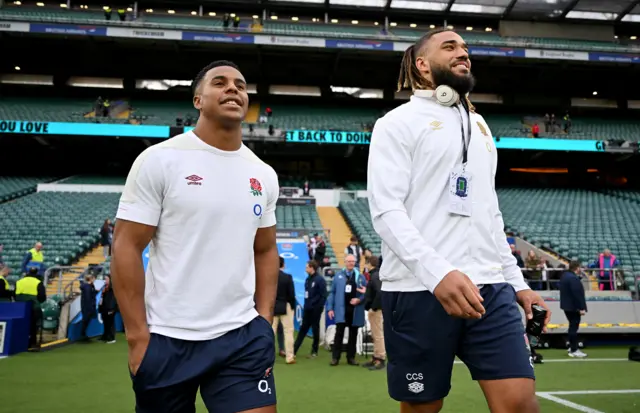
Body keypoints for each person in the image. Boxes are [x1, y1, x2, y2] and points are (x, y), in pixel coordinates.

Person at [367, 28, 550, 413]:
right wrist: (438, 274)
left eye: (465, 48)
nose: (462, 52)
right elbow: (386, 210)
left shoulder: (480, 126)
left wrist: (518, 284)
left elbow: (490, 213)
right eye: (449, 47)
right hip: (419, 290)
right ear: (421, 64)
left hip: (490, 288)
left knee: (519, 404)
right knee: (423, 408)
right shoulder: (396, 123)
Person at [112, 60, 280, 413]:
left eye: (240, 84)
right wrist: (137, 336)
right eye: (219, 82)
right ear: (198, 100)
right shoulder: (160, 160)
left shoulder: (262, 174)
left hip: (241, 336)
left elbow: (265, 250)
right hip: (168, 337)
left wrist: (263, 319)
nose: (233, 88)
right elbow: (127, 246)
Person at [326, 254, 367, 366]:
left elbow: (366, 292)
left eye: (353, 261)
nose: (351, 263)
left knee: (353, 335)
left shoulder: (360, 277)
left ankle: (351, 358)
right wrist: (330, 308)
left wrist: (359, 299)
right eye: (349, 261)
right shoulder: (338, 276)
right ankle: (335, 358)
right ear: (345, 262)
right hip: (341, 311)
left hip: (355, 311)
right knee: (339, 334)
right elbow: (332, 293)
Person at [293, 260, 326, 359]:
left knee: (315, 329)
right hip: (307, 308)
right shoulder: (308, 279)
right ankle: (294, 350)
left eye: (307, 267)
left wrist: (318, 307)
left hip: (315, 309)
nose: (305, 269)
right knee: (303, 328)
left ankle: (314, 351)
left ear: (312, 268)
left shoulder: (320, 280)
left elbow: (323, 295)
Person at [560, 261, 587, 358]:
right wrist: (581, 308)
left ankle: (572, 346)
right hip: (573, 307)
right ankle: (574, 349)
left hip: (567, 306)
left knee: (572, 326)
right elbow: (577, 294)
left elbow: (570, 287)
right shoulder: (572, 278)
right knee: (573, 328)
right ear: (577, 268)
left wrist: (578, 278)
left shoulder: (565, 276)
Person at [362, 255, 385, 370]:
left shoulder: (375, 276)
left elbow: (379, 293)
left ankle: (380, 358)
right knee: (375, 334)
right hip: (375, 309)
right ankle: (376, 356)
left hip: (376, 310)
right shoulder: (375, 275)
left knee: (378, 334)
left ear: (369, 264)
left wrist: (374, 307)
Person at [15, 267, 46, 347]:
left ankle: (19, 342)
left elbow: (14, 295)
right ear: (36, 273)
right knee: (33, 327)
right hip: (34, 308)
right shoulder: (38, 282)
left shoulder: (19, 281)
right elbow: (42, 297)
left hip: (20, 308)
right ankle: (32, 343)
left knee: (20, 325)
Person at [272, 256, 296, 364]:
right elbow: (291, 294)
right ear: (283, 265)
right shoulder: (287, 277)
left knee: (270, 332)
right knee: (288, 331)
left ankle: (267, 357)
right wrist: (292, 306)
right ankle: (289, 357)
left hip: (271, 306)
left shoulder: (269, 277)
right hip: (285, 305)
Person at [99, 274, 118, 344]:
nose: (105, 281)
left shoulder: (112, 289)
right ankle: (105, 336)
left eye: (106, 279)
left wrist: (112, 309)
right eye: (104, 279)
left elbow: (113, 300)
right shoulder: (104, 288)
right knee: (106, 323)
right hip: (104, 308)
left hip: (110, 308)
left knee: (110, 323)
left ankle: (112, 338)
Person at [80, 274, 97, 341]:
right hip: (87, 307)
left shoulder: (89, 286)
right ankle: (83, 335)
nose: (94, 280)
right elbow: (88, 298)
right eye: (94, 279)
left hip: (86, 307)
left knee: (86, 321)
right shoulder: (88, 287)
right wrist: (91, 307)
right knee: (85, 321)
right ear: (91, 279)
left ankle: (83, 335)